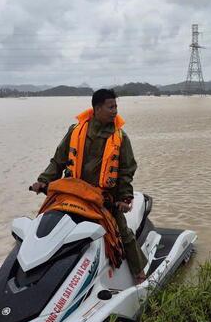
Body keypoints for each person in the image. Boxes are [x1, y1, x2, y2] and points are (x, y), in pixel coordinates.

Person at [30, 89, 148, 282]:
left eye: (116, 107)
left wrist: (125, 198)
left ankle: (140, 275)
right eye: (111, 107)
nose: (115, 111)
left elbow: (127, 170)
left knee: (123, 233)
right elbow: (58, 161)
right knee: (46, 221)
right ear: (97, 108)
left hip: (103, 198)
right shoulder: (75, 130)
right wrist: (43, 180)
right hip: (74, 194)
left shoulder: (120, 137)